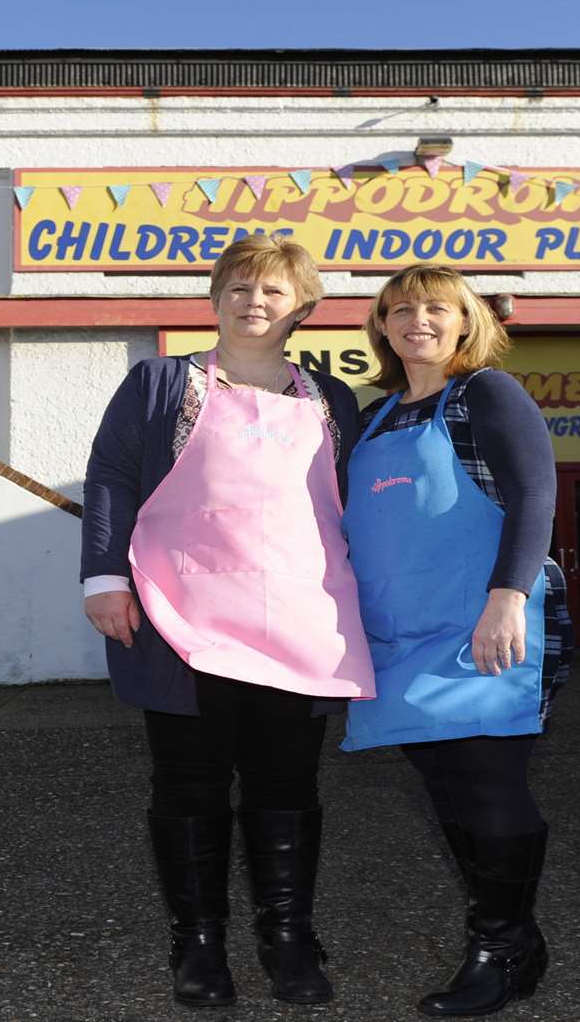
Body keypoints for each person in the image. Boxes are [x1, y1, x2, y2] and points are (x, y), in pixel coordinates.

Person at [81, 233, 373, 1007]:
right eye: (240, 288)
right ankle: (199, 945)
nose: (255, 303)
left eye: (273, 292)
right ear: (215, 299)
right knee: (188, 782)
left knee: (287, 782)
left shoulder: (329, 399)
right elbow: (109, 476)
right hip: (183, 615)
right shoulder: (159, 383)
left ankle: (288, 941)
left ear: (302, 307)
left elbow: (355, 508)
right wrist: (105, 578)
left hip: (297, 619)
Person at [340, 264, 572, 1017]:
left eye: (437, 308)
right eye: (400, 309)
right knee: (445, 789)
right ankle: (517, 941)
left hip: (483, 630)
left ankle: (499, 946)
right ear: (379, 326)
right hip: (398, 638)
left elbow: (535, 495)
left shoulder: (487, 394)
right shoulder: (373, 418)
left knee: (488, 783)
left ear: (466, 321)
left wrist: (507, 599)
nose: (419, 320)